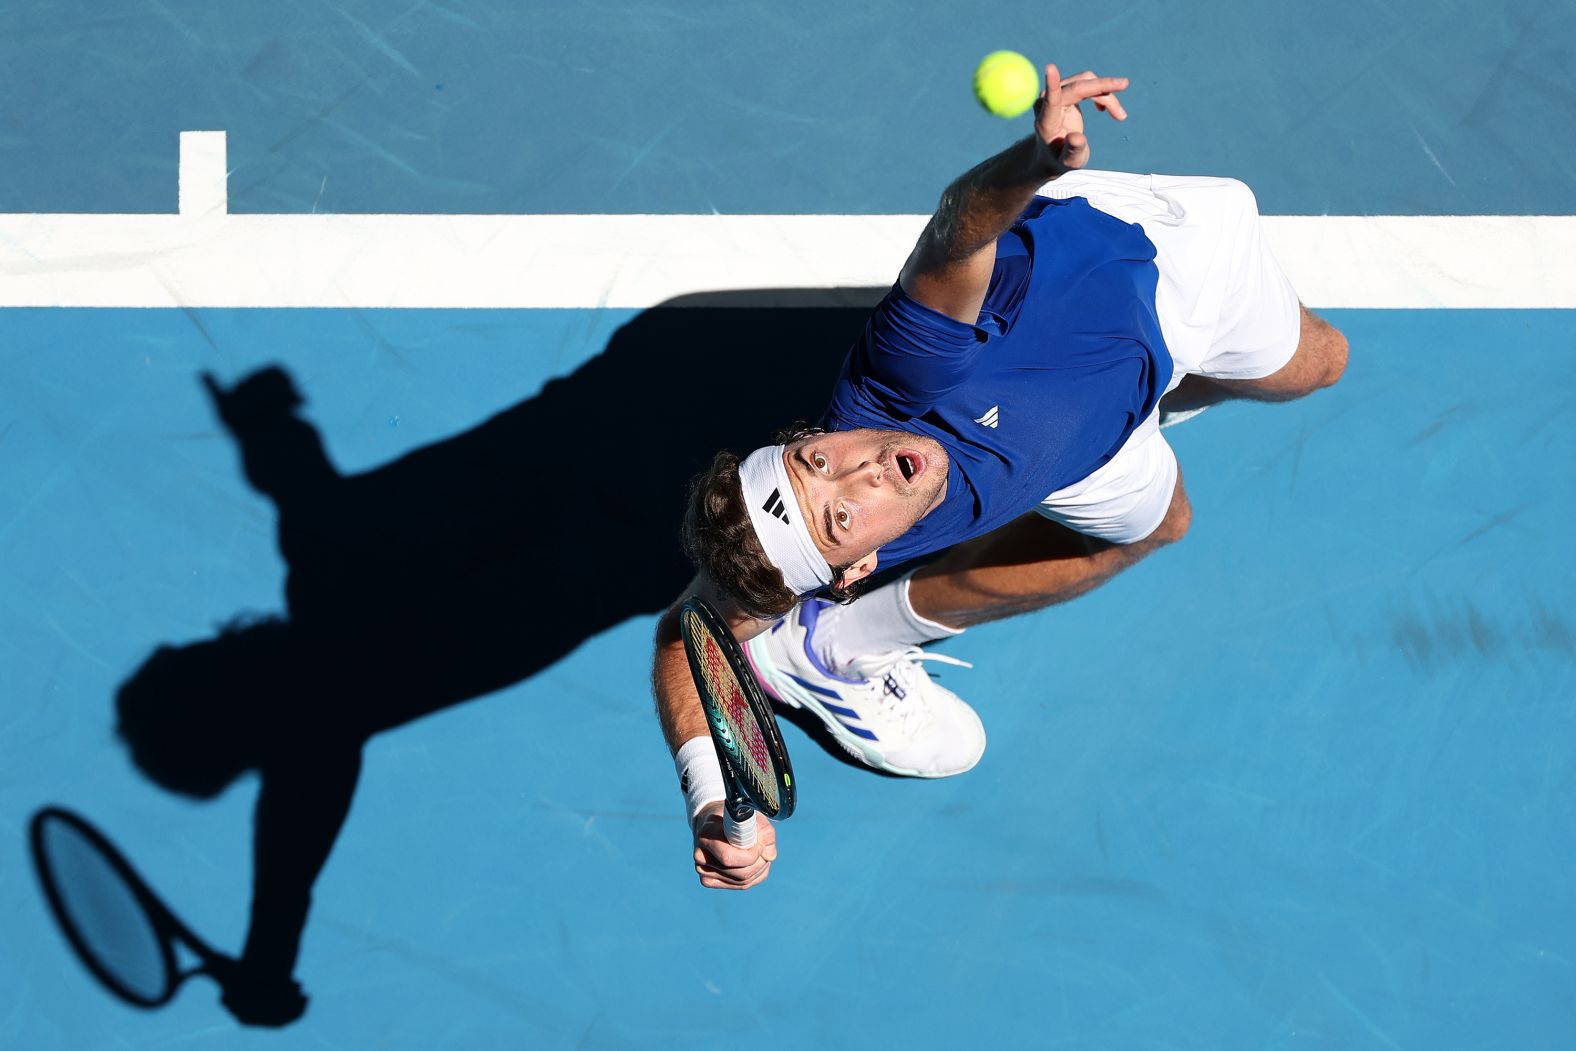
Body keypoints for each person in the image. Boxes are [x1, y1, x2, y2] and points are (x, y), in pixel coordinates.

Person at [653, 64, 1348, 890]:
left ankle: (1143, 386)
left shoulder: (904, 375)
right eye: (841, 516)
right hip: (1080, 456)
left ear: (811, 437)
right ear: (854, 571)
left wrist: (1036, 163)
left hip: (1174, 269)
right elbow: (689, 630)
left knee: (1319, 365)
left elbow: (958, 232)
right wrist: (707, 800)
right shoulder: (848, 523)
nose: (862, 469)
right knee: (1163, 525)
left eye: (818, 460)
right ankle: (832, 650)